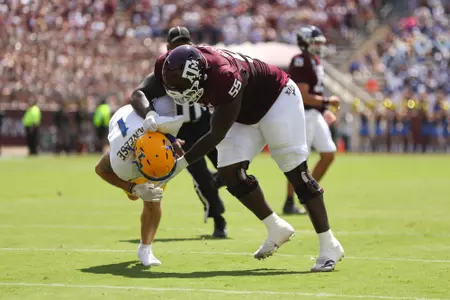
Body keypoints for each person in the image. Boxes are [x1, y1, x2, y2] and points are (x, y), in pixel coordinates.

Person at [132, 44, 344, 271]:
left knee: (295, 171)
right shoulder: (171, 65)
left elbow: (215, 134)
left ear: (200, 75)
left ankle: (329, 244)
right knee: (229, 172)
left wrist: (177, 166)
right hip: (244, 110)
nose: (182, 96)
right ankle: (276, 227)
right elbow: (139, 93)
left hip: (276, 99)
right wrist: (149, 113)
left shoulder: (224, 76)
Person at [131, 26, 227, 238]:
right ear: (168, 48)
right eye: (177, 45)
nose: (182, 49)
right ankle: (218, 219)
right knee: (201, 177)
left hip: (207, 124)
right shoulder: (165, 72)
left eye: (186, 43)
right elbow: (138, 93)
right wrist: (149, 114)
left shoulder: (201, 64)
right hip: (184, 133)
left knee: (231, 166)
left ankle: (217, 182)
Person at [95, 96, 184, 267]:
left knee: (153, 200)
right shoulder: (122, 160)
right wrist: (132, 188)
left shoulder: (162, 124)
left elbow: (169, 129)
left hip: (150, 131)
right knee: (134, 196)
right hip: (125, 129)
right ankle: (135, 190)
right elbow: (100, 170)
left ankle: (145, 248)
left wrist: (173, 142)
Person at [283, 26, 341, 215]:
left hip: (314, 114)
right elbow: (303, 94)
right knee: (299, 160)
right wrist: (326, 102)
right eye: (316, 42)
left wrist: (324, 109)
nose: (319, 46)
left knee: (328, 153)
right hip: (303, 114)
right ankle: (289, 201)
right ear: (306, 43)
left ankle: (307, 194)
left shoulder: (315, 60)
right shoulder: (300, 61)